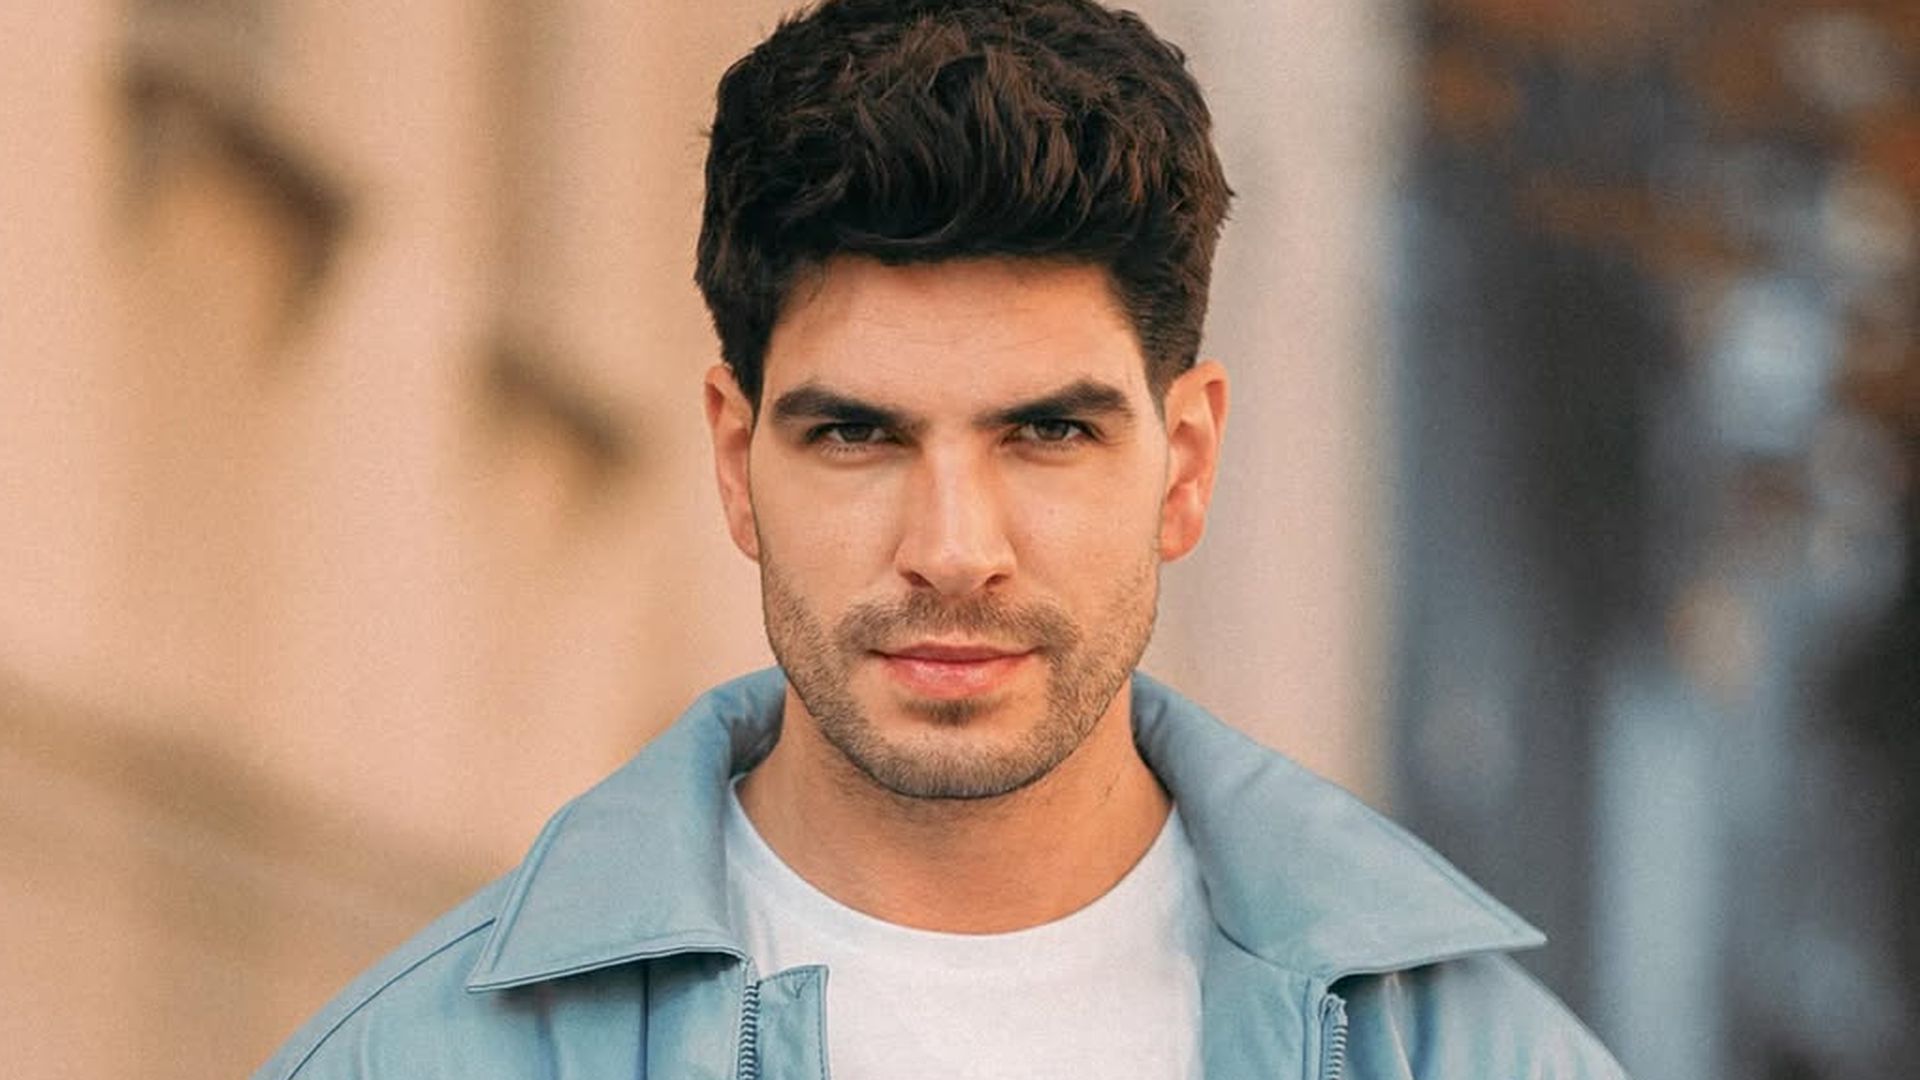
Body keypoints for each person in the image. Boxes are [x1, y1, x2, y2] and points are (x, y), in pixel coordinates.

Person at [255, 1, 1628, 1076]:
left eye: (1048, 432)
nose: (955, 549)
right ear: (737, 461)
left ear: (1186, 463)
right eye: (859, 435)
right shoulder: (410, 1061)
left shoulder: (1485, 1060)